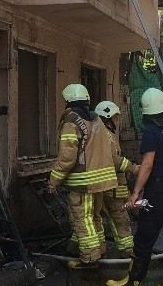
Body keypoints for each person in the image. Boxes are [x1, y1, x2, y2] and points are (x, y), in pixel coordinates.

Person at [107, 88, 163, 286]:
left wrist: (136, 192)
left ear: (147, 113)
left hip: (158, 191)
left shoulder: (152, 132)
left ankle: (133, 282)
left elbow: (148, 164)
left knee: (144, 235)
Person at [49, 84, 118, 270]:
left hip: (82, 182)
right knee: (95, 217)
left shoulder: (72, 121)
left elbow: (67, 157)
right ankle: (100, 249)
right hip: (102, 180)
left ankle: (89, 258)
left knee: (83, 219)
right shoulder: (97, 119)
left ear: (68, 101)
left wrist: (54, 180)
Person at [93, 101, 138, 254]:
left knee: (95, 218)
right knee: (120, 218)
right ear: (107, 118)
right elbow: (113, 159)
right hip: (112, 186)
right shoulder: (105, 135)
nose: (117, 120)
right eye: (115, 117)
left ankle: (97, 250)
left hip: (107, 185)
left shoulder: (104, 134)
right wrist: (133, 168)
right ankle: (127, 253)